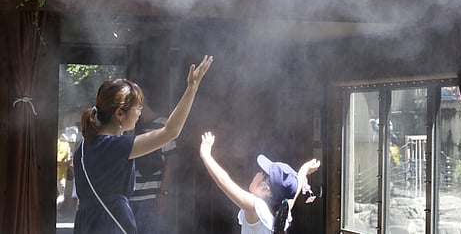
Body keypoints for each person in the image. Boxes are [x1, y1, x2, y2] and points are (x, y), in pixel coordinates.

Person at [73, 55, 213, 234]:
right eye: (137, 108)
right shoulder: (116, 146)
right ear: (119, 114)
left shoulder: (83, 148)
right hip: (110, 224)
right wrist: (192, 88)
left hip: (86, 224)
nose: (140, 112)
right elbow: (170, 132)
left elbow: (80, 199)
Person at [199, 131, 320, 234]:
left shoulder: (257, 208)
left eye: (261, 173)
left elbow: (224, 182)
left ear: (265, 188)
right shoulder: (281, 212)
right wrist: (304, 170)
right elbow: (292, 195)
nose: (256, 173)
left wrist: (206, 155)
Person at [129, 104, 176, 234]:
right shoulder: (128, 126)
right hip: (127, 198)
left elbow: (170, 161)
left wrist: (163, 193)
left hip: (151, 196)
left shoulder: (162, 124)